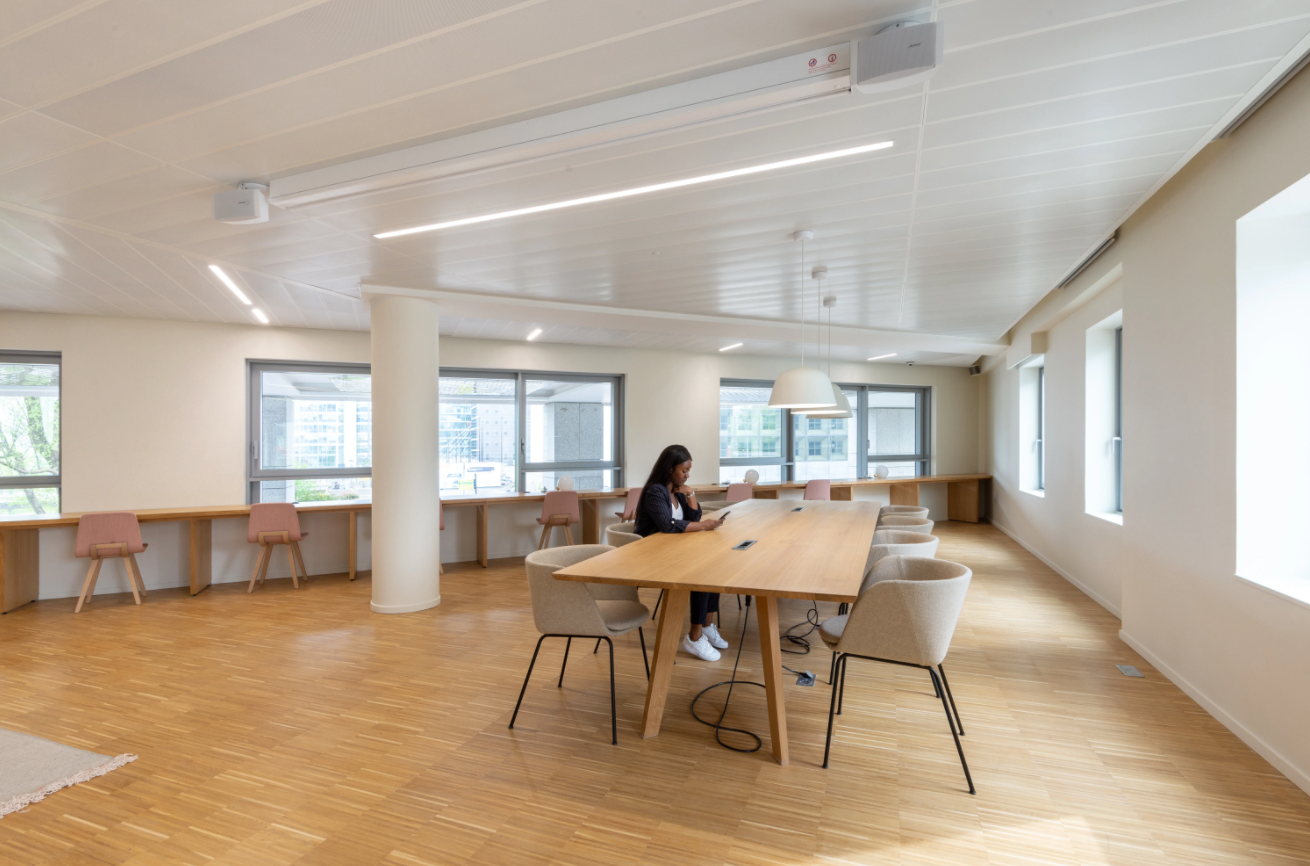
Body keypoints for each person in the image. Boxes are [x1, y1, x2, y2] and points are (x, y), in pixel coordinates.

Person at [633, 445, 728, 661]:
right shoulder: (655, 492)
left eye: (688, 471)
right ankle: (695, 636)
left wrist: (690, 493)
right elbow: (668, 525)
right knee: (701, 571)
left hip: (671, 551)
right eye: (684, 471)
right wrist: (704, 526)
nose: (687, 475)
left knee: (712, 564)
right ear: (670, 469)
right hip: (650, 555)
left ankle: (706, 626)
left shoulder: (677, 490)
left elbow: (693, 519)